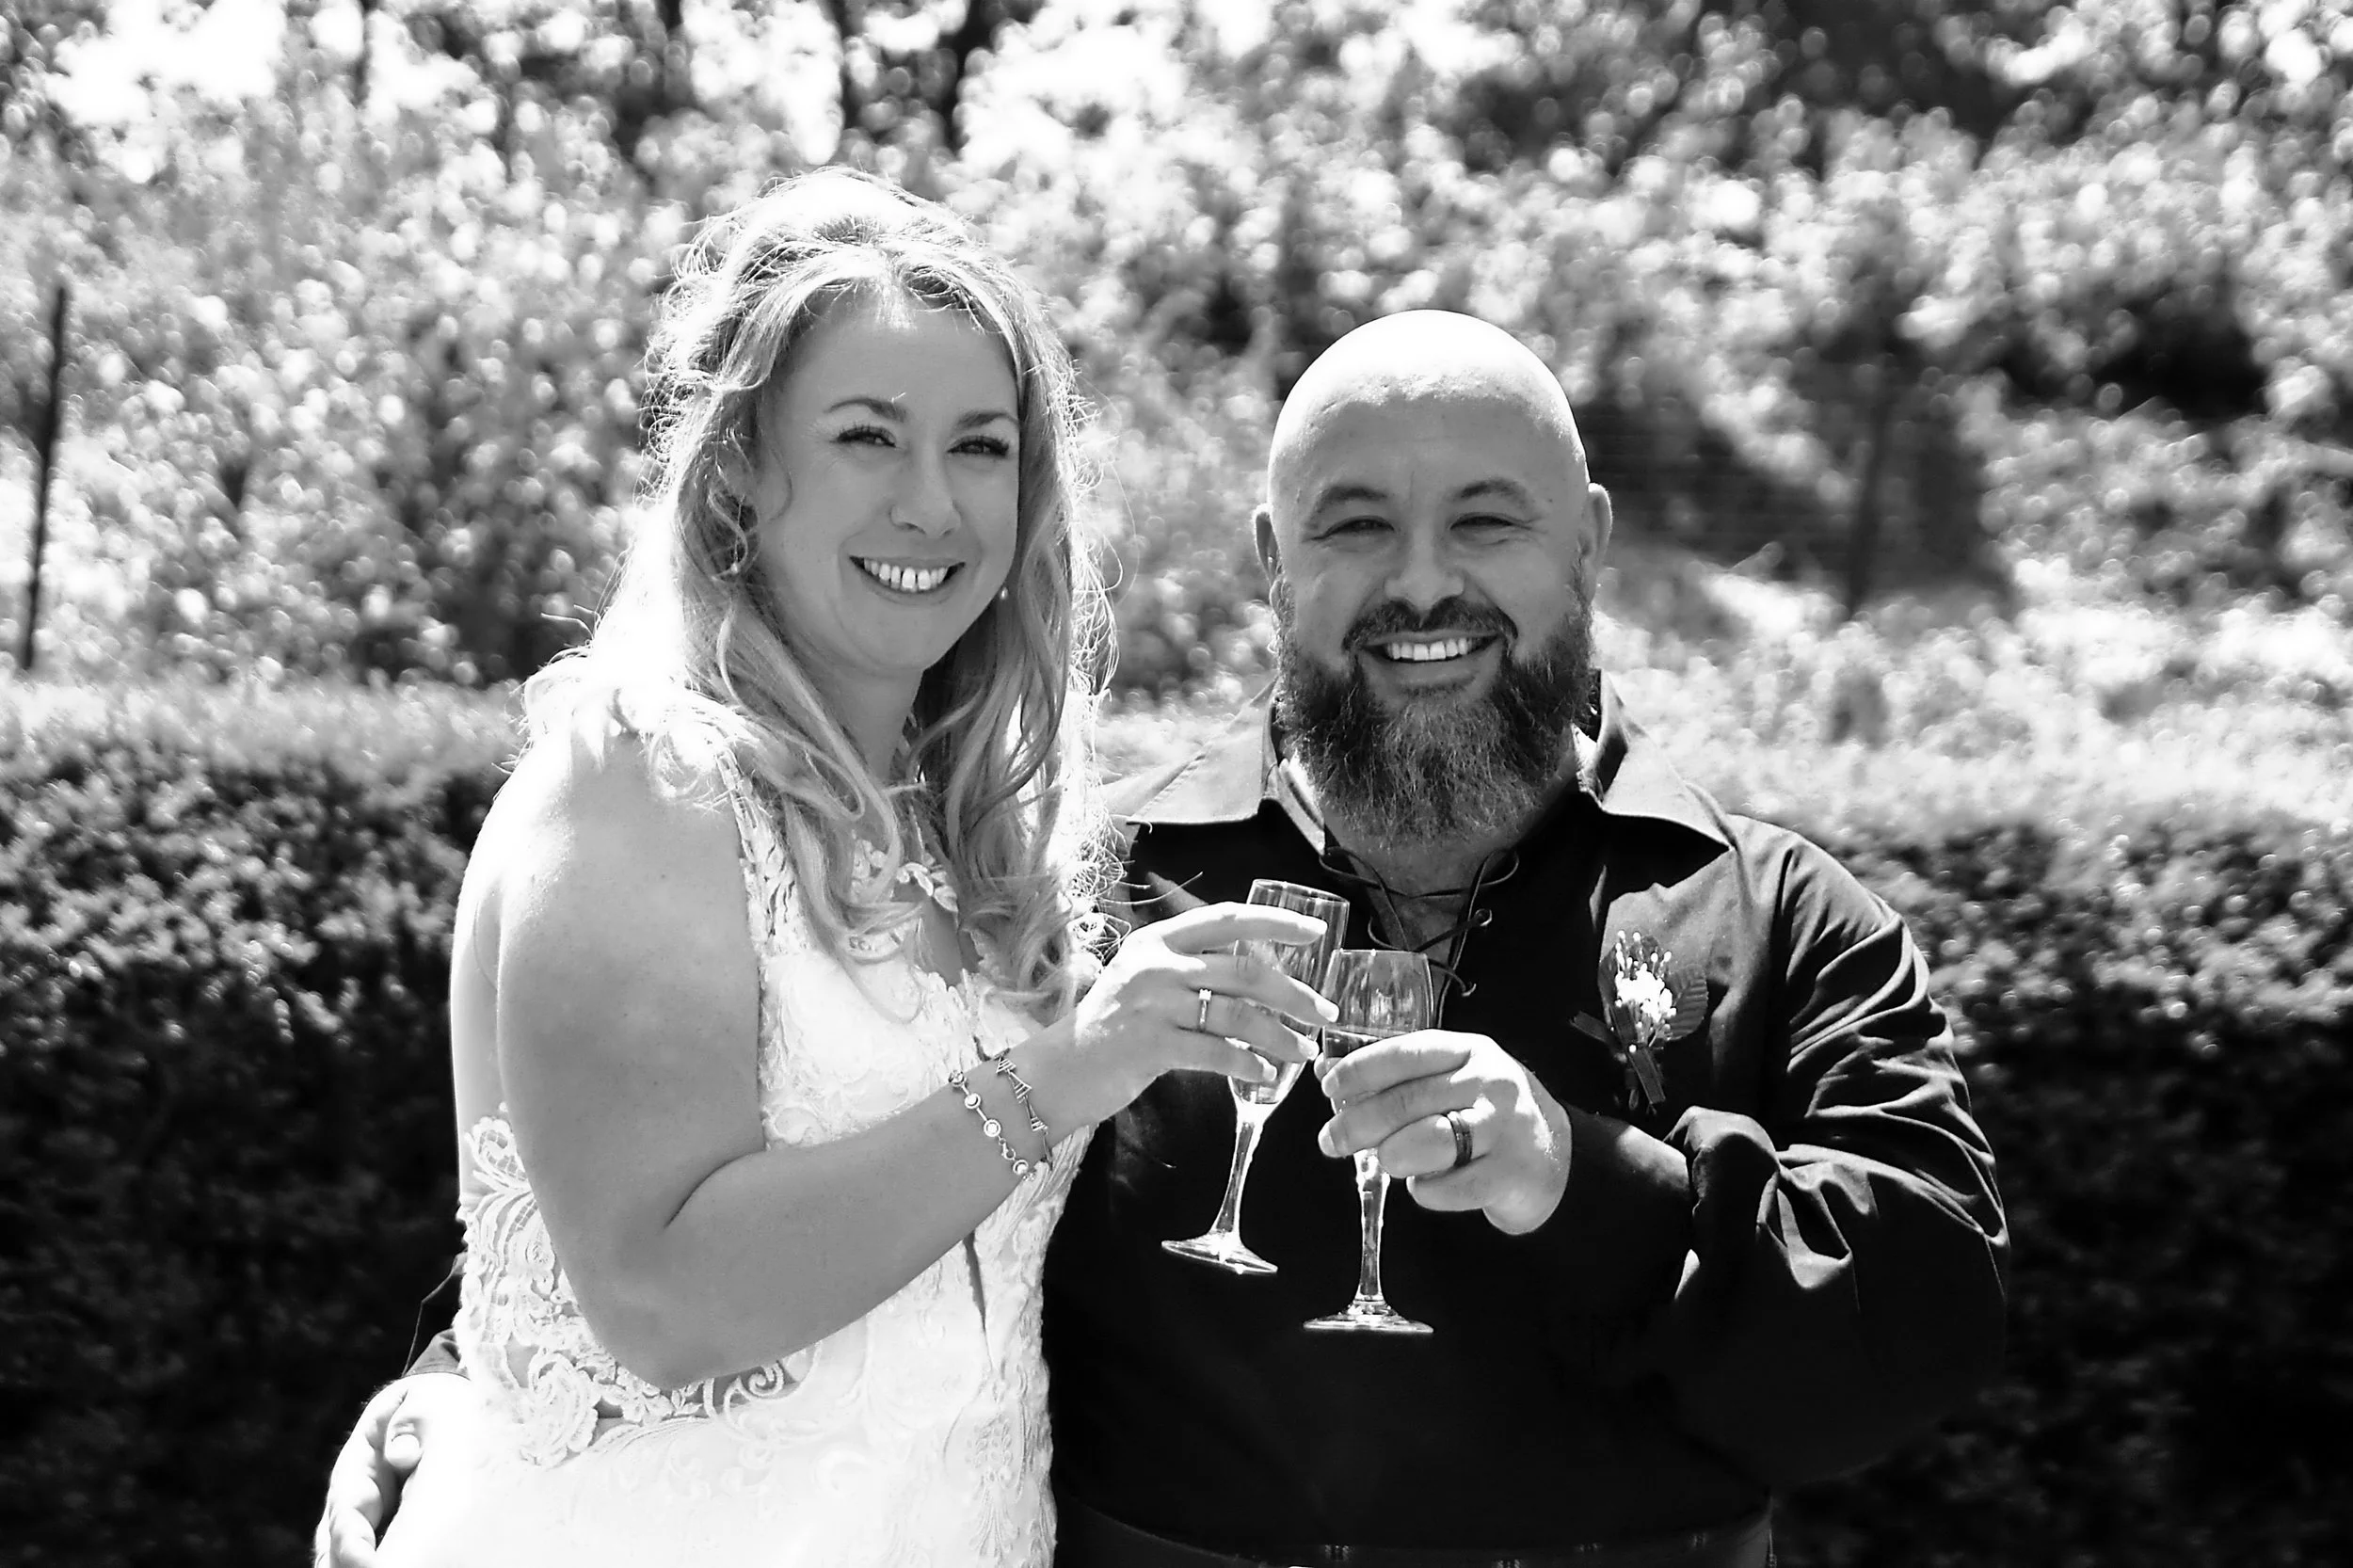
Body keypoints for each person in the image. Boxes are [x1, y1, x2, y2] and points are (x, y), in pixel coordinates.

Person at [322, 310, 2007, 1568]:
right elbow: (778, 1139)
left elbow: (1920, 1331)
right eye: (1356, 524)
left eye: (1488, 519)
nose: (1424, 584)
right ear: (1275, 563)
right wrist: (469, 1386)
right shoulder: (1076, 879)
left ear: (1592, 545)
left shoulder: (1779, 911)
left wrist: (1587, 1181)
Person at [328, 166, 1335, 1568]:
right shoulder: (646, 784)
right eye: (870, 436)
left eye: (982, 446)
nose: (934, 503)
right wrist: (1073, 1067)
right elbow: (658, 1294)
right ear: (739, 463)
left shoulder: (978, 833)